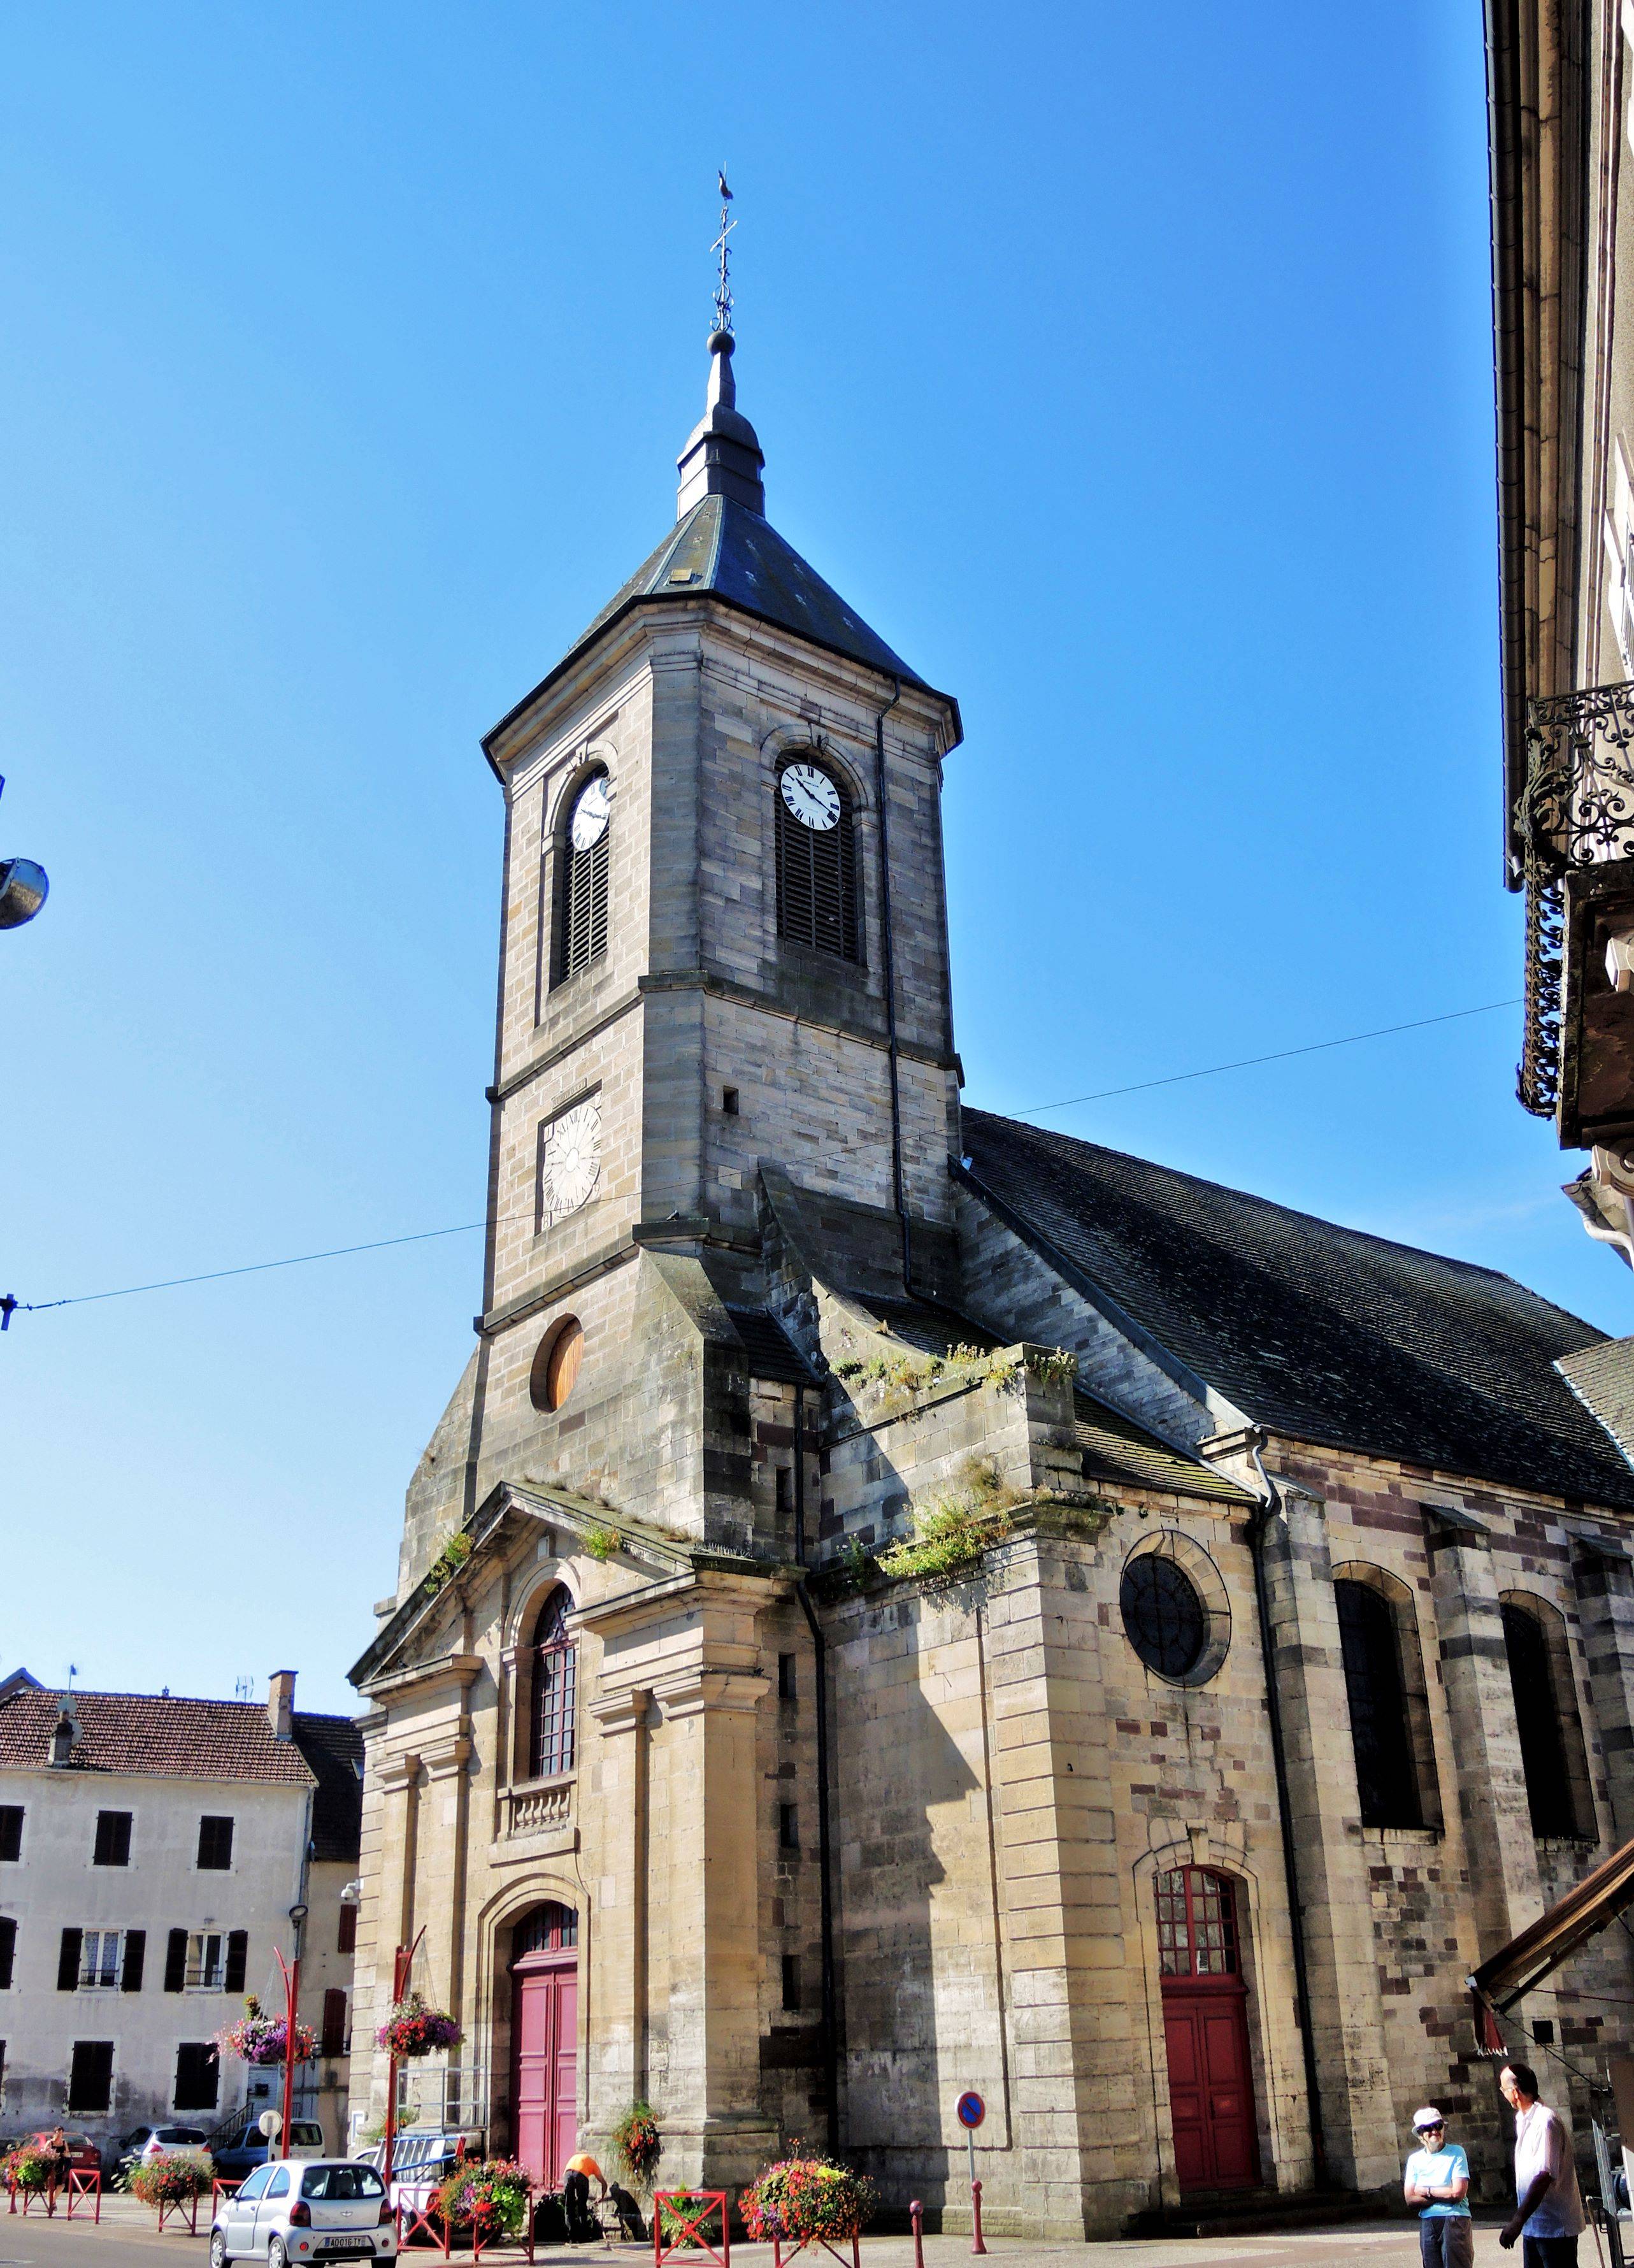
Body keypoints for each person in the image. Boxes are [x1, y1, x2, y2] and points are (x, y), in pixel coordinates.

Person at [1498, 2060, 1586, 2265]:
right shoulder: (1524, 2119)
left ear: (1515, 2092)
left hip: (1554, 2228)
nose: (1503, 2093)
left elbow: (1543, 2177)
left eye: (1503, 2089)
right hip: (1534, 2225)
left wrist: (1517, 2221)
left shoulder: (1545, 2122)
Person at [1403, 2106, 1473, 2268]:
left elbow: (1457, 2193)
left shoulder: (1457, 2152)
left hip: (1455, 2218)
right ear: (1421, 2134)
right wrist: (1443, 2195)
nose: (1435, 2131)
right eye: (1428, 2128)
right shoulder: (1415, 2160)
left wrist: (1427, 2192)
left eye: (1438, 2126)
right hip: (1428, 2221)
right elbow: (1410, 2199)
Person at [562, 2150, 606, 2243]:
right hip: (581, 2175)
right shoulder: (592, 2162)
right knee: (582, 2206)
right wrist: (601, 2197)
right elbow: (604, 2184)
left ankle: (571, 2237)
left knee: (569, 2206)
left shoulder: (574, 2158)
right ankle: (583, 2237)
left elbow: (566, 2175)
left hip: (567, 2174)